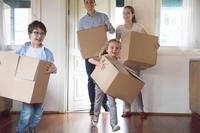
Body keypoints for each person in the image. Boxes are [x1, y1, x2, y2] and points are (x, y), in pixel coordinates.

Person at [16, 20, 57, 133]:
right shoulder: (23, 49)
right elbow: (15, 62)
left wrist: (54, 69)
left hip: (39, 87)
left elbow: (53, 67)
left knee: (38, 111)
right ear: (29, 34)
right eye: (36, 32)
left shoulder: (47, 53)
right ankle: (21, 130)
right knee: (27, 111)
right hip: (26, 85)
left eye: (42, 33)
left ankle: (33, 126)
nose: (39, 36)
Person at [79, 0, 115, 115]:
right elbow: (81, 39)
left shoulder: (103, 16)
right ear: (84, 4)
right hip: (89, 56)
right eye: (87, 2)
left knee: (103, 79)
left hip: (103, 54)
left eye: (91, 2)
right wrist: (83, 53)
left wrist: (107, 25)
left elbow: (112, 30)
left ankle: (104, 104)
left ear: (95, 3)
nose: (89, 5)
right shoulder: (82, 21)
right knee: (91, 80)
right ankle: (93, 106)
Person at [116, 6, 147, 119]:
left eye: (128, 13)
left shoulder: (139, 27)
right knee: (125, 85)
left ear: (132, 14)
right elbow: (117, 43)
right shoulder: (119, 28)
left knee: (135, 85)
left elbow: (147, 40)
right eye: (124, 13)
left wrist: (154, 45)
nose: (125, 15)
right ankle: (127, 109)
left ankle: (141, 109)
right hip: (123, 61)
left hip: (135, 60)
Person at [89, 39, 121, 132]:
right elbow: (90, 59)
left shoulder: (118, 61)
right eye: (112, 47)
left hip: (110, 85)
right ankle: (95, 119)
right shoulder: (104, 57)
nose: (114, 50)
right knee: (97, 102)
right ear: (107, 49)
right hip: (99, 84)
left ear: (120, 50)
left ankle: (114, 124)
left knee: (112, 103)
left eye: (117, 48)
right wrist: (99, 63)